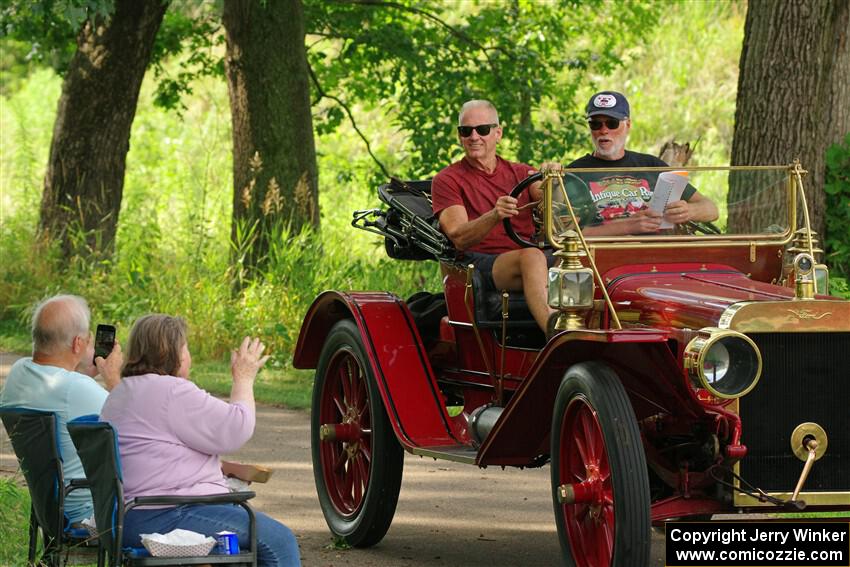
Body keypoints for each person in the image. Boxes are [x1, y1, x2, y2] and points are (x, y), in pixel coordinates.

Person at [99, 314, 300, 567]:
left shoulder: (120, 393)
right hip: (168, 514)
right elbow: (236, 428)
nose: (188, 355)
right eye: (186, 347)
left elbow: (162, 449)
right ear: (174, 353)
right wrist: (244, 378)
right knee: (279, 541)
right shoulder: (171, 391)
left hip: (130, 516)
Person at [431, 99, 554, 331]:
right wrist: (494, 215)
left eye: (482, 129)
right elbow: (459, 237)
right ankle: (557, 335)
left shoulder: (521, 172)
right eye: (466, 131)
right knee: (532, 256)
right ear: (459, 136)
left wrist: (553, 180)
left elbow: (555, 205)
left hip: (526, 260)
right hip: (478, 264)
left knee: (582, 255)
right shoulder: (447, 180)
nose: (474, 137)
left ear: (498, 133)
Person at [0, 294, 123, 524]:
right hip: (90, 512)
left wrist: (81, 372)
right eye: (87, 340)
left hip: (52, 509)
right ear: (78, 344)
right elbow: (136, 420)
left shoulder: (17, 373)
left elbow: (63, 391)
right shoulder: (76, 389)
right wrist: (112, 376)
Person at [566, 90, 719, 235]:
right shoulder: (575, 173)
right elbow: (566, 233)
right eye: (595, 124)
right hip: (603, 251)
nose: (604, 130)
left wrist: (688, 211)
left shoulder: (651, 165)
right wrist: (627, 226)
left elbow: (711, 209)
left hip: (657, 249)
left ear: (628, 125)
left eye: (612, 123)